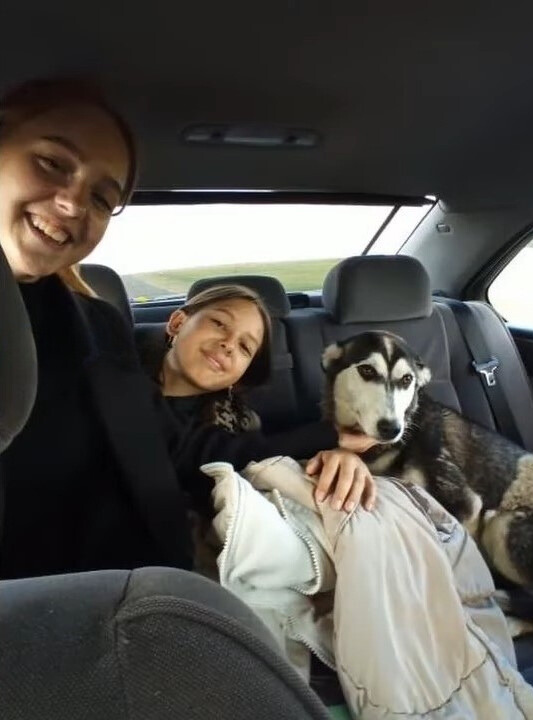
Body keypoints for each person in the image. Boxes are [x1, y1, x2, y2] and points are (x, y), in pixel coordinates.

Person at [0, 77, 373, 581]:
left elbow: (180, 451)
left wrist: (334, 440)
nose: (70, 204)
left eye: (102, 199)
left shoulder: (96, 328)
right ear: (177, 324)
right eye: (51, 163)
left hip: (131, 593)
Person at [140, 283, 377, 519]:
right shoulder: (117, 380)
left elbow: (245, 459)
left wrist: (341, 453)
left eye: (245, 347)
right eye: (219, 323)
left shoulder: (234, 426)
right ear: (178, 323)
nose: (229, 344)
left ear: (238, 378)